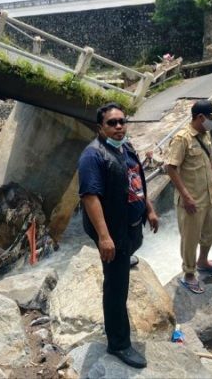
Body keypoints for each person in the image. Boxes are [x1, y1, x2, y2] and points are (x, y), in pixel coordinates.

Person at [78, 102, 159, 369]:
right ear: (100, 126)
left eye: (122, 121)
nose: (119, 127)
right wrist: (104, 236)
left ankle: (124, 257)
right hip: (113, 229)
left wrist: (148, 209)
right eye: (112, 123)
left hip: (130, 226)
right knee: (116, 288)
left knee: (128, 253)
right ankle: (118, 343)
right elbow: (90, 197)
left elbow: (136, 180)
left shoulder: (125, 147)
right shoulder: (93, 155)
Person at [166, 100, 212, 294]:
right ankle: (189, 274)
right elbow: (171, 168)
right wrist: (186, 196)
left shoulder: (205, 134)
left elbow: (210, 157)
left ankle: (203, 261)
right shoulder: (182, 139)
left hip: (209, 195)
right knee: (190, 239)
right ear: (200, 117)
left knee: (211, 231)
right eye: (210, 118)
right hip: (191, 201)